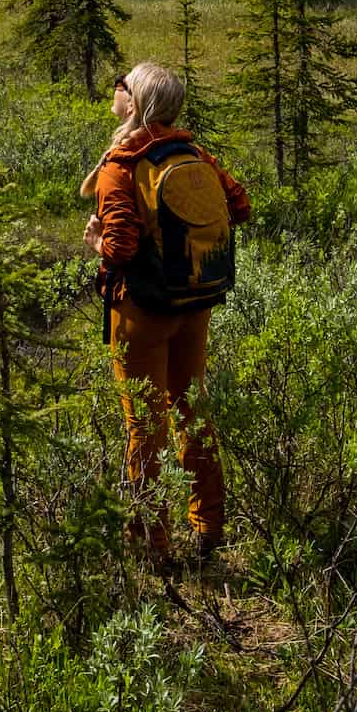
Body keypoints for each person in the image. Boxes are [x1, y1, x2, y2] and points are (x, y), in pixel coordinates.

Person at [82, 61, 250, 561]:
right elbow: (239, 207)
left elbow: (121, 248)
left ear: (133, 105)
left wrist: (96, 243)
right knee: (192, 413)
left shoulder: (121, 164)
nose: (117, 89)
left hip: (142, 311)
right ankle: (208, 528)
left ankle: (151, 546)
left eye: (123, 84)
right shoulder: (194, 153)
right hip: (195, 304)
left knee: (144, 427)